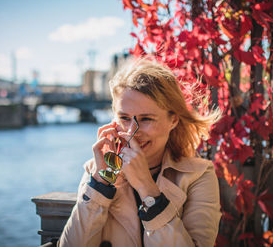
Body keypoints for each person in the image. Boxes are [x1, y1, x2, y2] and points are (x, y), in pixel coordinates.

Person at [58, 57, 222, 247]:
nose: (132, 132)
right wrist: (100, 185)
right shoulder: (98, 170)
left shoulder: (199, 175)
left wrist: (147, 188)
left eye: (146, 119)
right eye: (124, 118)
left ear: (173, 121)